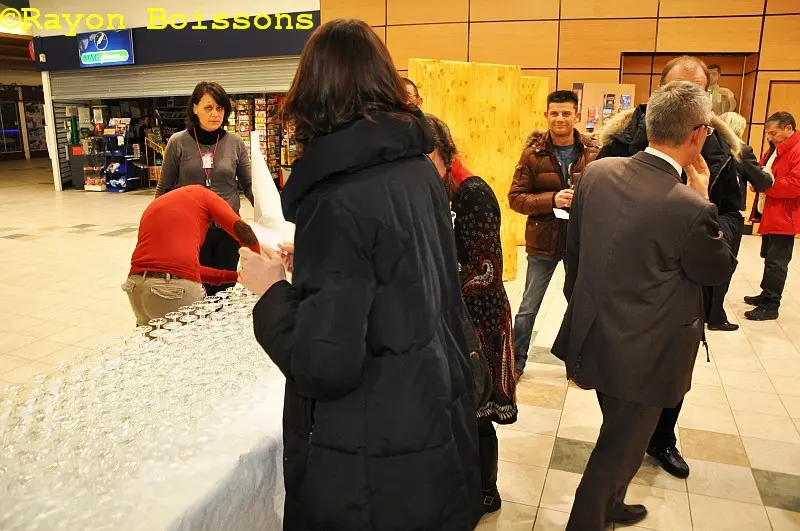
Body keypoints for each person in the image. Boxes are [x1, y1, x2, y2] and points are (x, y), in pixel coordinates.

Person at [236, 18, 482, 531]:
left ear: (312, 92)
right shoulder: (417, 168)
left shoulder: (335, 198)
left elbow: (326, 363)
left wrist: (271, 291)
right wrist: (318, 259)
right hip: (428, 410)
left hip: (373, 449)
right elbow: (400, 268)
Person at [553, 80, 736, 530]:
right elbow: (716, 269)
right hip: (646, 354)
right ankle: (589, 519)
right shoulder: (689, 205)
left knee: (621, 437)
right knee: (618, 448)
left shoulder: (598, 172)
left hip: (594, 336)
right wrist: (705, 198)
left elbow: (573, 253)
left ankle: (613, 504)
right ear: (697, 134)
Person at [596, 55, 769, 480]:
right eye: (678, 88)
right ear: (660, 92)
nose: (689, 97)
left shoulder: (722, 147)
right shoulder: (622, 140)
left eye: (698, 91)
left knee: (674, 369)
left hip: (688, 284)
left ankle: (661, 438)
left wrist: (704, 226)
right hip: (629, 284)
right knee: (620, 373)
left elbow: (732, 215)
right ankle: (620, 440)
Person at [425, 113, 517, 516]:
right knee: (460, 412)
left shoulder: (472, 193)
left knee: (479, 414)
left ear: (446, 154)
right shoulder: (437, 192)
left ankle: (486, 491)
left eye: (427, 158)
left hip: (479, 319)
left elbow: (487, 270)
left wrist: (434, 284)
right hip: (456, 316)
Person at [508, 90, 599, 381]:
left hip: (580, 241)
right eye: (555, 113)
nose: (560, 119)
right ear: (546, 115)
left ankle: (578, 362)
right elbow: (515, 198)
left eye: (566, 113)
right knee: (528, 306)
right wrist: (552, 200)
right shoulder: (532, 154)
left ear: (577, 115)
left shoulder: (593, 152)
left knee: (580, 306)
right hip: (542, 241)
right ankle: (516, 361)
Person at [155, 81, 255, 296]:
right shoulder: (178, 142)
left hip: (229, 230)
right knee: (197, 289)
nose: (215, 114)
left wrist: (271, 216)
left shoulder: (235, 143)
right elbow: (164, 189)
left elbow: (249, 186)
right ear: (195, 108)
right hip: (191, 231)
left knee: (225, 289)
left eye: (220, 108)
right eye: (208, 107)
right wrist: (157, 229)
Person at [123, 184, 259, 327]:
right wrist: (258, 271)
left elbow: (183, 270)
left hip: (135, 286)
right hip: (173, 291)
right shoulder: (205, 195)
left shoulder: (159, 205)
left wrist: (237, 277)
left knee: (154, 341)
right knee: (194, 339)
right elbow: (244, 232)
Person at [745, 111, 800, 321]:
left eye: (773, 133)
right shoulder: (776, 148)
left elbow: (795, 184)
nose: (769, 137)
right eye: (768, 133)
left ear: (788, 128)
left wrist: (765, 185)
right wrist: (756, 180)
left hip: (785, 215)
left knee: (777, 262)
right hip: (772, 211)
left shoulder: (797, 150)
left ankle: (770, 304)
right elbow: (762, 169)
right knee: (769, 258)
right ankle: (765, 294)